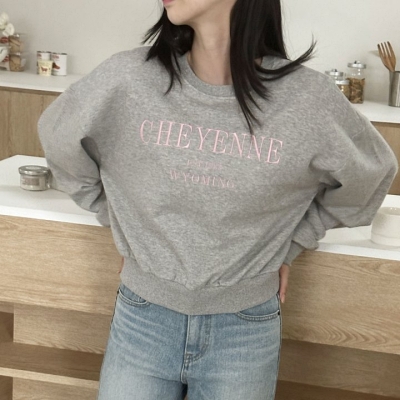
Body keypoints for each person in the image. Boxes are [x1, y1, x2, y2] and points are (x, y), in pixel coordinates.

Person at [38, 0, 398, 399]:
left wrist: (294, 242)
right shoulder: (127, 78)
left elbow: (372, 173)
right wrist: (123, 221)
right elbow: (59, 137)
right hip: (142, 319)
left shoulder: (308, 99)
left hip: (244, 331)